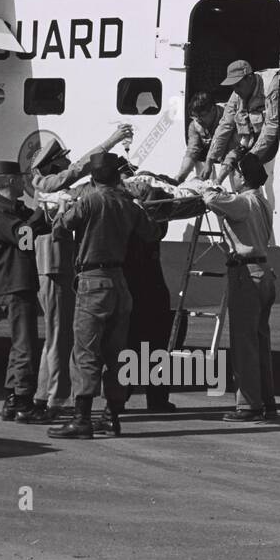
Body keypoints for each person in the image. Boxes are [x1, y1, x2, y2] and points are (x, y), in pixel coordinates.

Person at [47, 152, 164, 439]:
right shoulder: (129, 205)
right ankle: (111, 417)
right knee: (116, 353)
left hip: (92, 282)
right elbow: (152, 233)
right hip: (119, 283)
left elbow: (60, 230)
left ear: (94, 178)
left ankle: (82, 419)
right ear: (115, 176)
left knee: (86, 352)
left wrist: (62, 209)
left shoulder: (89, 200)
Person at [28, 125, 133, 423]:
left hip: (60, 266)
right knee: (63, 336)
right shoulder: (47, 183)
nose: (67, 165)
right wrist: (111, 141)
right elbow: (79, 169)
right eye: (60, 161)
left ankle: (46, 395)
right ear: (49, 166)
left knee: (59, 337)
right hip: (55, 265)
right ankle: (56, 399)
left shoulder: (63, 189)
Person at [203, 151, 278, 421]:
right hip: (264, 273)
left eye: (235, 172)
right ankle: (266, 400)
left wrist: (212, 183)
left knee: (244, 343)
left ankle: (248, 405)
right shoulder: (261, 201)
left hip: (246, 274)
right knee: (259, 341)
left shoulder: (244, 202)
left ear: (241, 177)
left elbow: (211, 199)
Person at [0, 159, 50, 423]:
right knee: (24, 346)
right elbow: (24, 237)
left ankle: (13, 401)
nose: (24, 182)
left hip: (18, 283)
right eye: (21, 178)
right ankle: (23, 402)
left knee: (19, 346)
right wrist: (41, 206)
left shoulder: (11, 209)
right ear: (11, 181)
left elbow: (41, 227)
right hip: (14, 284)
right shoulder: (0, 212)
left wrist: (42, 212)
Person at [117, 160, 177, 412]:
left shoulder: (124, 209)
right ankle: (155, 398)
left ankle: (122, 397)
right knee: (154, 344)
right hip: (148, 284)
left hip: (135, 284)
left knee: (131, 343)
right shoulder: (142, 213)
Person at [206, 60, 279, 181]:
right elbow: (225, 124)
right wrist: (210, 158)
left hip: (272, 142)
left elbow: (272, 126)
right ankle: (219, 181)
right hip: (250, 139)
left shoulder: (271, 86)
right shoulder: (237, 93)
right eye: (233, 86)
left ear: (249, 78)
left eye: (238, 85)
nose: (235, 90)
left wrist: (251, 157)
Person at [177, 92, 221, 182]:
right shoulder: (195, 125)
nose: (198, 120)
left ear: (213, 110)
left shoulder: (228, 117)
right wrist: (180, 177)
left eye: (201, 116)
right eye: (195, 116)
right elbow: (192, 151)